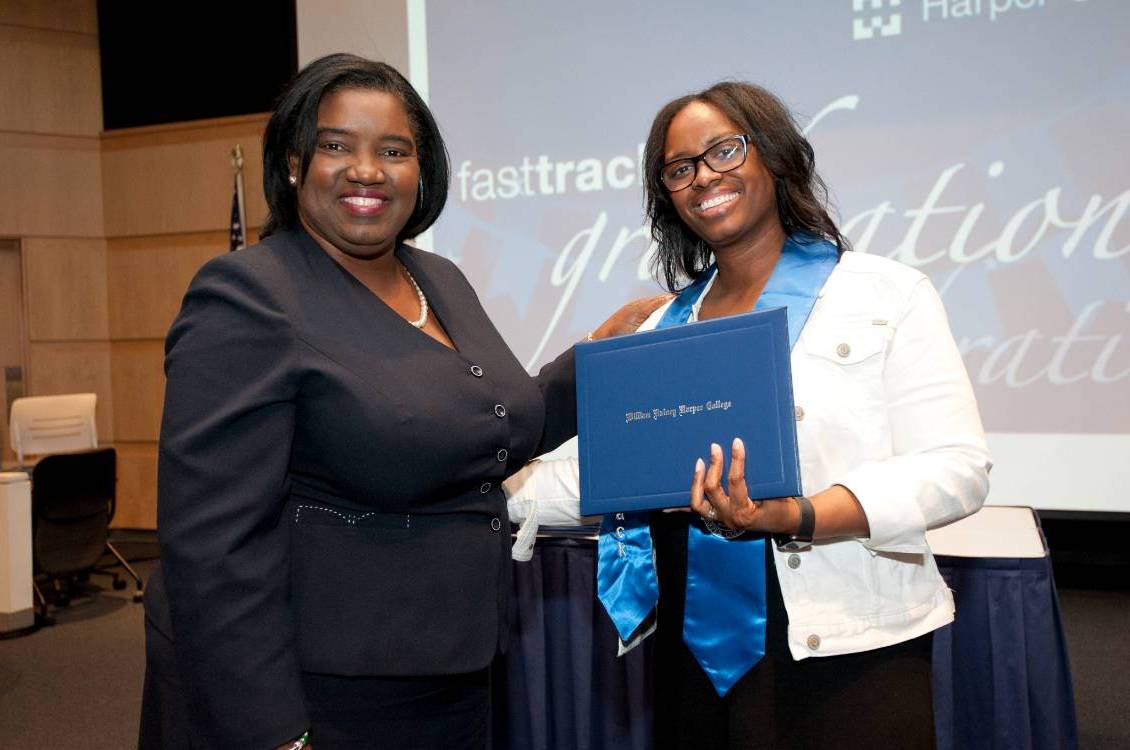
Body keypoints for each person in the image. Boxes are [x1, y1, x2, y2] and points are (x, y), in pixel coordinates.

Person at [138, 53, 660, 750]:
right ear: (294, 164)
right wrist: (272, 733)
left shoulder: (436, 278)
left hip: (452, 669)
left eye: (393, 150)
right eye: (336, 146)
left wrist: (602, 356)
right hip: (320, 691)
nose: (366, 170)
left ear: (422, 170)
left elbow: (491, 426)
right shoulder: (247, 295)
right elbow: (212, 547)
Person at [504, 81, 992, 748]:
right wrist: (467, 479)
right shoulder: (656, 328)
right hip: (696, 650)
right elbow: (604, 475)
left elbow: (957, 469)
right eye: (680, 168)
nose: (704, 176)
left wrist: (797, 514)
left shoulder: (886, 293)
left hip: (850, 647)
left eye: (724, 151)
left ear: (776, 158)